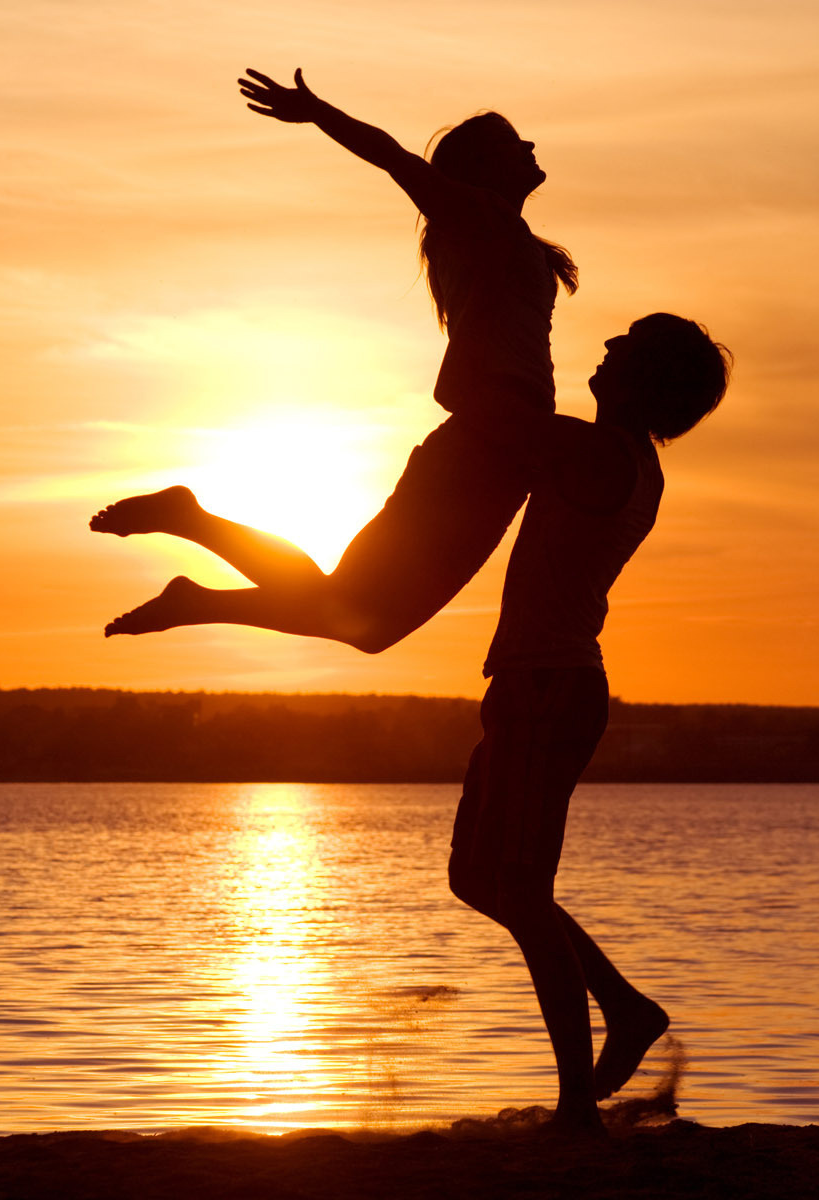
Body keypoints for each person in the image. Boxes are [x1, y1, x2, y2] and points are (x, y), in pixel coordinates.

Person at [93, 68, 576, 652]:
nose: (528, 146)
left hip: (502, 447)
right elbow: (394, 157)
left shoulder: (500, 235)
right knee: (360, 615)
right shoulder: (476, 218)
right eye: (511, 142)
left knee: (363, 618)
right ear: (479, 169)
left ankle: (193, 574)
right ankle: (191, 540)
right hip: (486, 444)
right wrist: (319, 113)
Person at [448, 313, 729, 1134]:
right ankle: (625, 1007)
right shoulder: (612, 454)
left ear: (644, 380)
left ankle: (576, 1104)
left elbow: (479, 413)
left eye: (624, 346)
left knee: (523, 892)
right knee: (476, 878)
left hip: (549, 690)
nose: (603, 348)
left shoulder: (602, 453)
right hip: (526, 689)